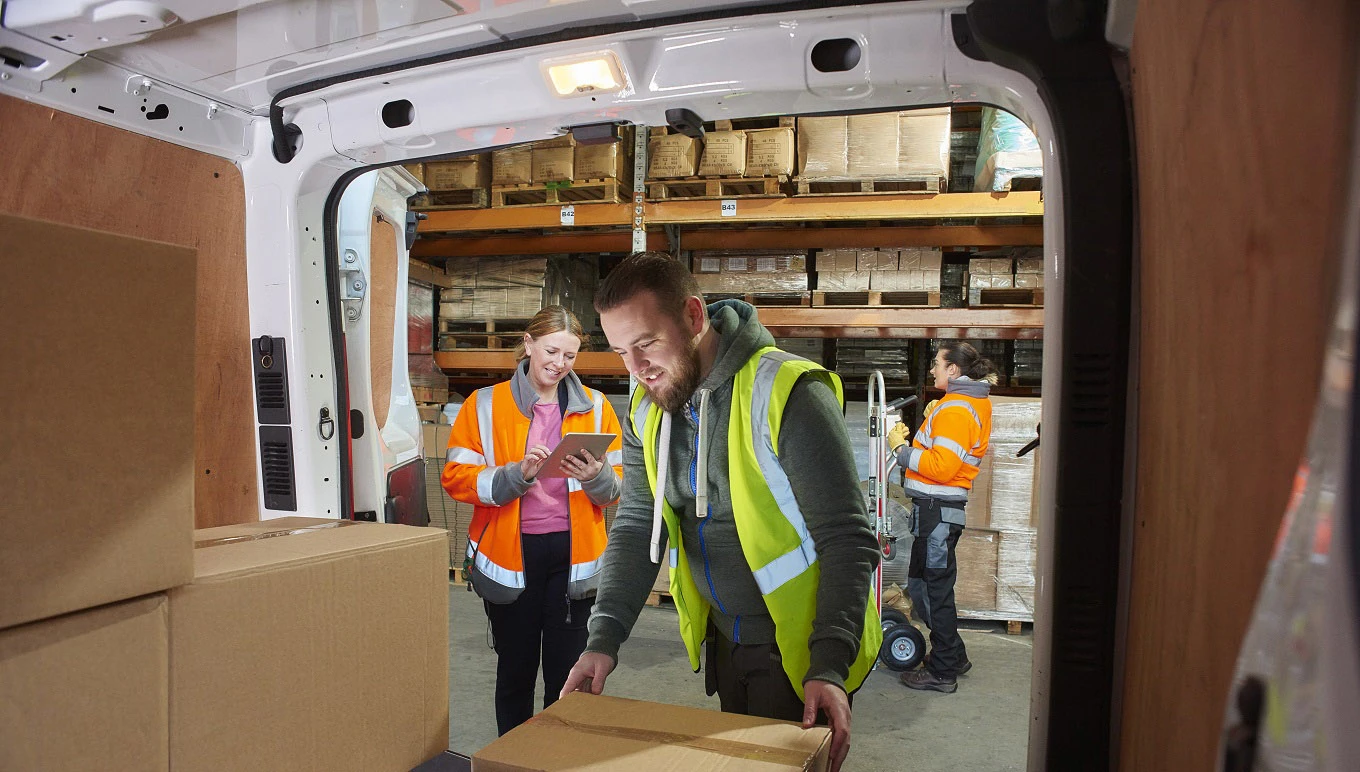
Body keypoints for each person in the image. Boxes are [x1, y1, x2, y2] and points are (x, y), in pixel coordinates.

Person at [559, 253, 881, 772]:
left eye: (646, 344)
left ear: (692, 316)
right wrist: (604, 639)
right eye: (621, 352)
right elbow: (640, 525)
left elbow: (847, 538)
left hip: (800, 652)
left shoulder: (789, 392)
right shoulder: (648, 408)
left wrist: (829, 663)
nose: (636, 370)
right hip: (726, 643)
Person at [441, 305, 623, 735]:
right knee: (516, 674)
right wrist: (514, 475)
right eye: (551, 351)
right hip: (511, 560)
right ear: (528, 344)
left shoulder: (596, 408)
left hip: (574, 564)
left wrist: (596, 476)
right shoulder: (483, 405)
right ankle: (512, 759)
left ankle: (555, 760)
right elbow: (456, 477)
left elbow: (616, 489)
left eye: (570, 357)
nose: (559, 364)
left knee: (567, 679)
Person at [887, 342, 997, 694]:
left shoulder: (957, 409)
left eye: (937, 364)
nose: (932, 369)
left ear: (954, 370)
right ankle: (955, 655)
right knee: (922, 586)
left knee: (934, 591)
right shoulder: (961, 404)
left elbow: (941, 467)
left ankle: (943, 671)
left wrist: (899, 450)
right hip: (934, 512)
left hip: (937, 512)